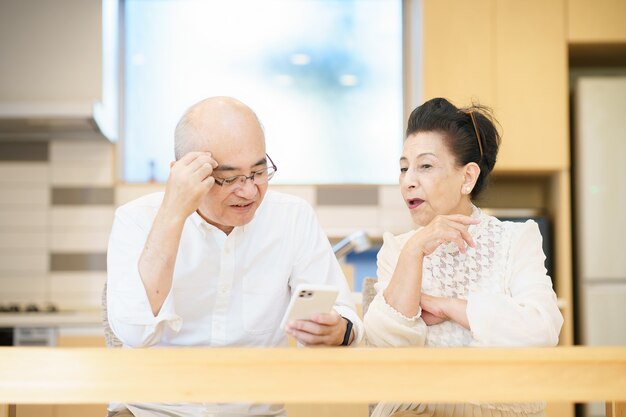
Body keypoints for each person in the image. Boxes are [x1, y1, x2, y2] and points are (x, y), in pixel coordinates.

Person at [106, 96, 362, 417]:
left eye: (258, 172)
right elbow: (134, 331)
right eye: (228, 178)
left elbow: (345, 315)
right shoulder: (137, 220)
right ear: (183, 174)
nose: (249, 191)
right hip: (150, 410)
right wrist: (173, 212)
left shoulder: (292, 217)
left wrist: (337, 329)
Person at [364, 97, 563, 417]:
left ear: (467, 177)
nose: (408, 181)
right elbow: (384, 345)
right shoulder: (398, 249)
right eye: (403, 168)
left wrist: (449, 307)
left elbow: (541, 330)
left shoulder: (516, 239)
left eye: (425, 166)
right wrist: (414, 250)